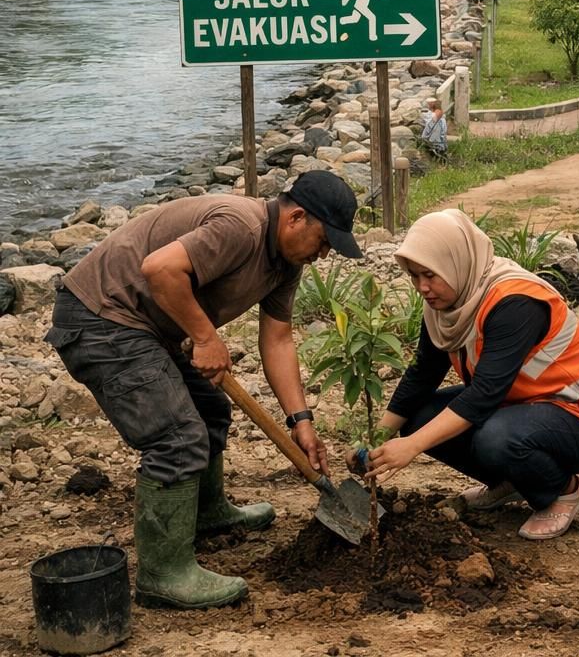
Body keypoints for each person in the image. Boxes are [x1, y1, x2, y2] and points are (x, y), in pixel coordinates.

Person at [45, 171, 363, 609]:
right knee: (176, 437)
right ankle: (163, 574)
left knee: (210, 409)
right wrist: (206, 337)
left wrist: (301, 421)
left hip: (149, 327)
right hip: (101, 319)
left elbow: (278, 339)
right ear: (296, 218)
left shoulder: (285, 264)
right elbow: (159, 269)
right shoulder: (241, 227)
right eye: (324, 242)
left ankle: (206, 513)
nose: (323, 254)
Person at [362, 210, 579, 541]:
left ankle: (562, 491)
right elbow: (423, 374)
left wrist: (411, 446)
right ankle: (511, 482)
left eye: (429, 275)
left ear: (456, 262)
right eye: (414, 277)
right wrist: (379, 439)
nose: (422, 288)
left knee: (495, 438)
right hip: (521, 407)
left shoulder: (514, 301)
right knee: (416, 415)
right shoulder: (449, 302)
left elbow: (484, 394)